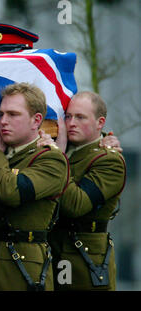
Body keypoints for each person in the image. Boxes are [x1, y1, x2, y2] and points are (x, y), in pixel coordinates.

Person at [0, 82, 69, 291]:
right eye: (0, 114)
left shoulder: (51, 160)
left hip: (20, 265)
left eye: (13, 114)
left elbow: (11, 192)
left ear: (36, 120)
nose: (3, 121)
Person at [46, 91, 126, 291]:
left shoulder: (109, 160)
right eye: (68, 116)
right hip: (54, 250)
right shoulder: (65, 147)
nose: (71, 123)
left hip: (83, 257)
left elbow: (75, 204)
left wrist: (57, 156)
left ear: (100, 123)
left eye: (80, 117)